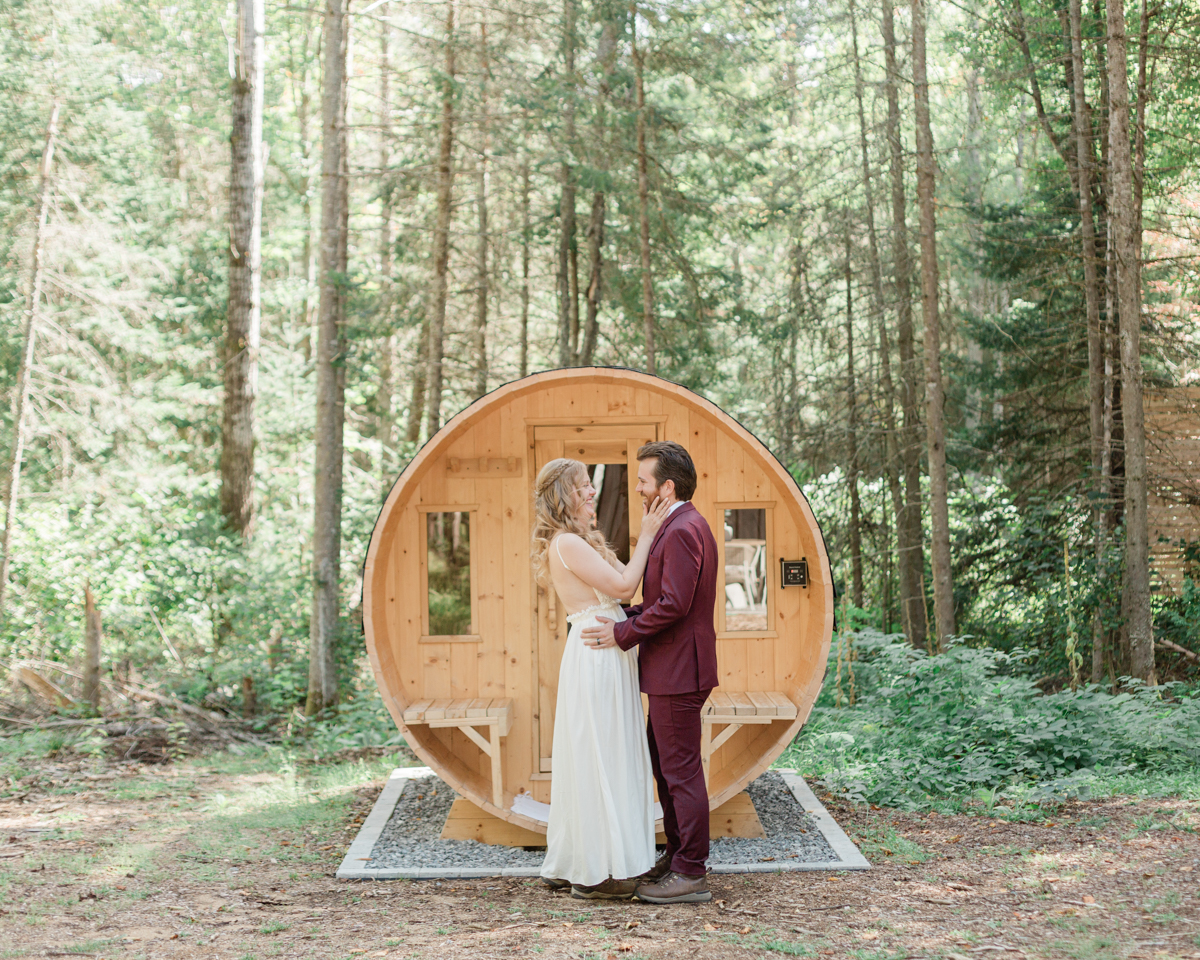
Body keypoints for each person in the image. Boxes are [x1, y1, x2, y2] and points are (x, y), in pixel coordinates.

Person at [580, 441, 719, 904]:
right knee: (666, 767)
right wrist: (626, 615)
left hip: (680, 670)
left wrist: (623, 634)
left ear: (667, 486)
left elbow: (676, 605)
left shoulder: (682, 529)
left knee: (680, 772)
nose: (637, 488)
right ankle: (678, 857)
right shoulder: (680, 524)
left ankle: (691, 871)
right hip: (671, 670)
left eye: (643, 480)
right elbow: (665, 599)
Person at [533, 457, 671, 900]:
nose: (591, 492)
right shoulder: (567, 543)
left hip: (606, 650)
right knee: (600, 754)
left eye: (590, 485)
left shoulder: (576, 540)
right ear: (562, 495)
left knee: (599, 752)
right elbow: (625, 588)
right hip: (596, 656)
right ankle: (593, 872)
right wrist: (648, 533)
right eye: (582, 487)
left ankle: (576, 858)